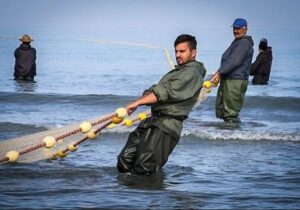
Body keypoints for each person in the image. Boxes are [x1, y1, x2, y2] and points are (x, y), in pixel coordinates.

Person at [117, 34, 206, 175]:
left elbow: (164, 92)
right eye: (176, 51)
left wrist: (137, 103)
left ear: (193, 52)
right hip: (152, 121)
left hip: (166, 126)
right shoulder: (177, 72)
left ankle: (150, 194)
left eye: (182, 51)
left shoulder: (192, 73)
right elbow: (156, 90)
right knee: (124, 161)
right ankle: (124, 195)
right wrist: (146, 95)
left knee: (144, 169)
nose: (177, 55)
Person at [211, 18, 254, 123]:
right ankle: (228, 135)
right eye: (234, 28)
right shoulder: (238, 42)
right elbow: (230, 60)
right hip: (229, 80)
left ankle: (234, 137)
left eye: (238, 28)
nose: (235, 31)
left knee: (230, 113)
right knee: (224, 111)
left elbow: (234, 61)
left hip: (235, 81)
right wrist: (220, 73)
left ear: (245, 29)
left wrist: (220, 72)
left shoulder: (244, 43)